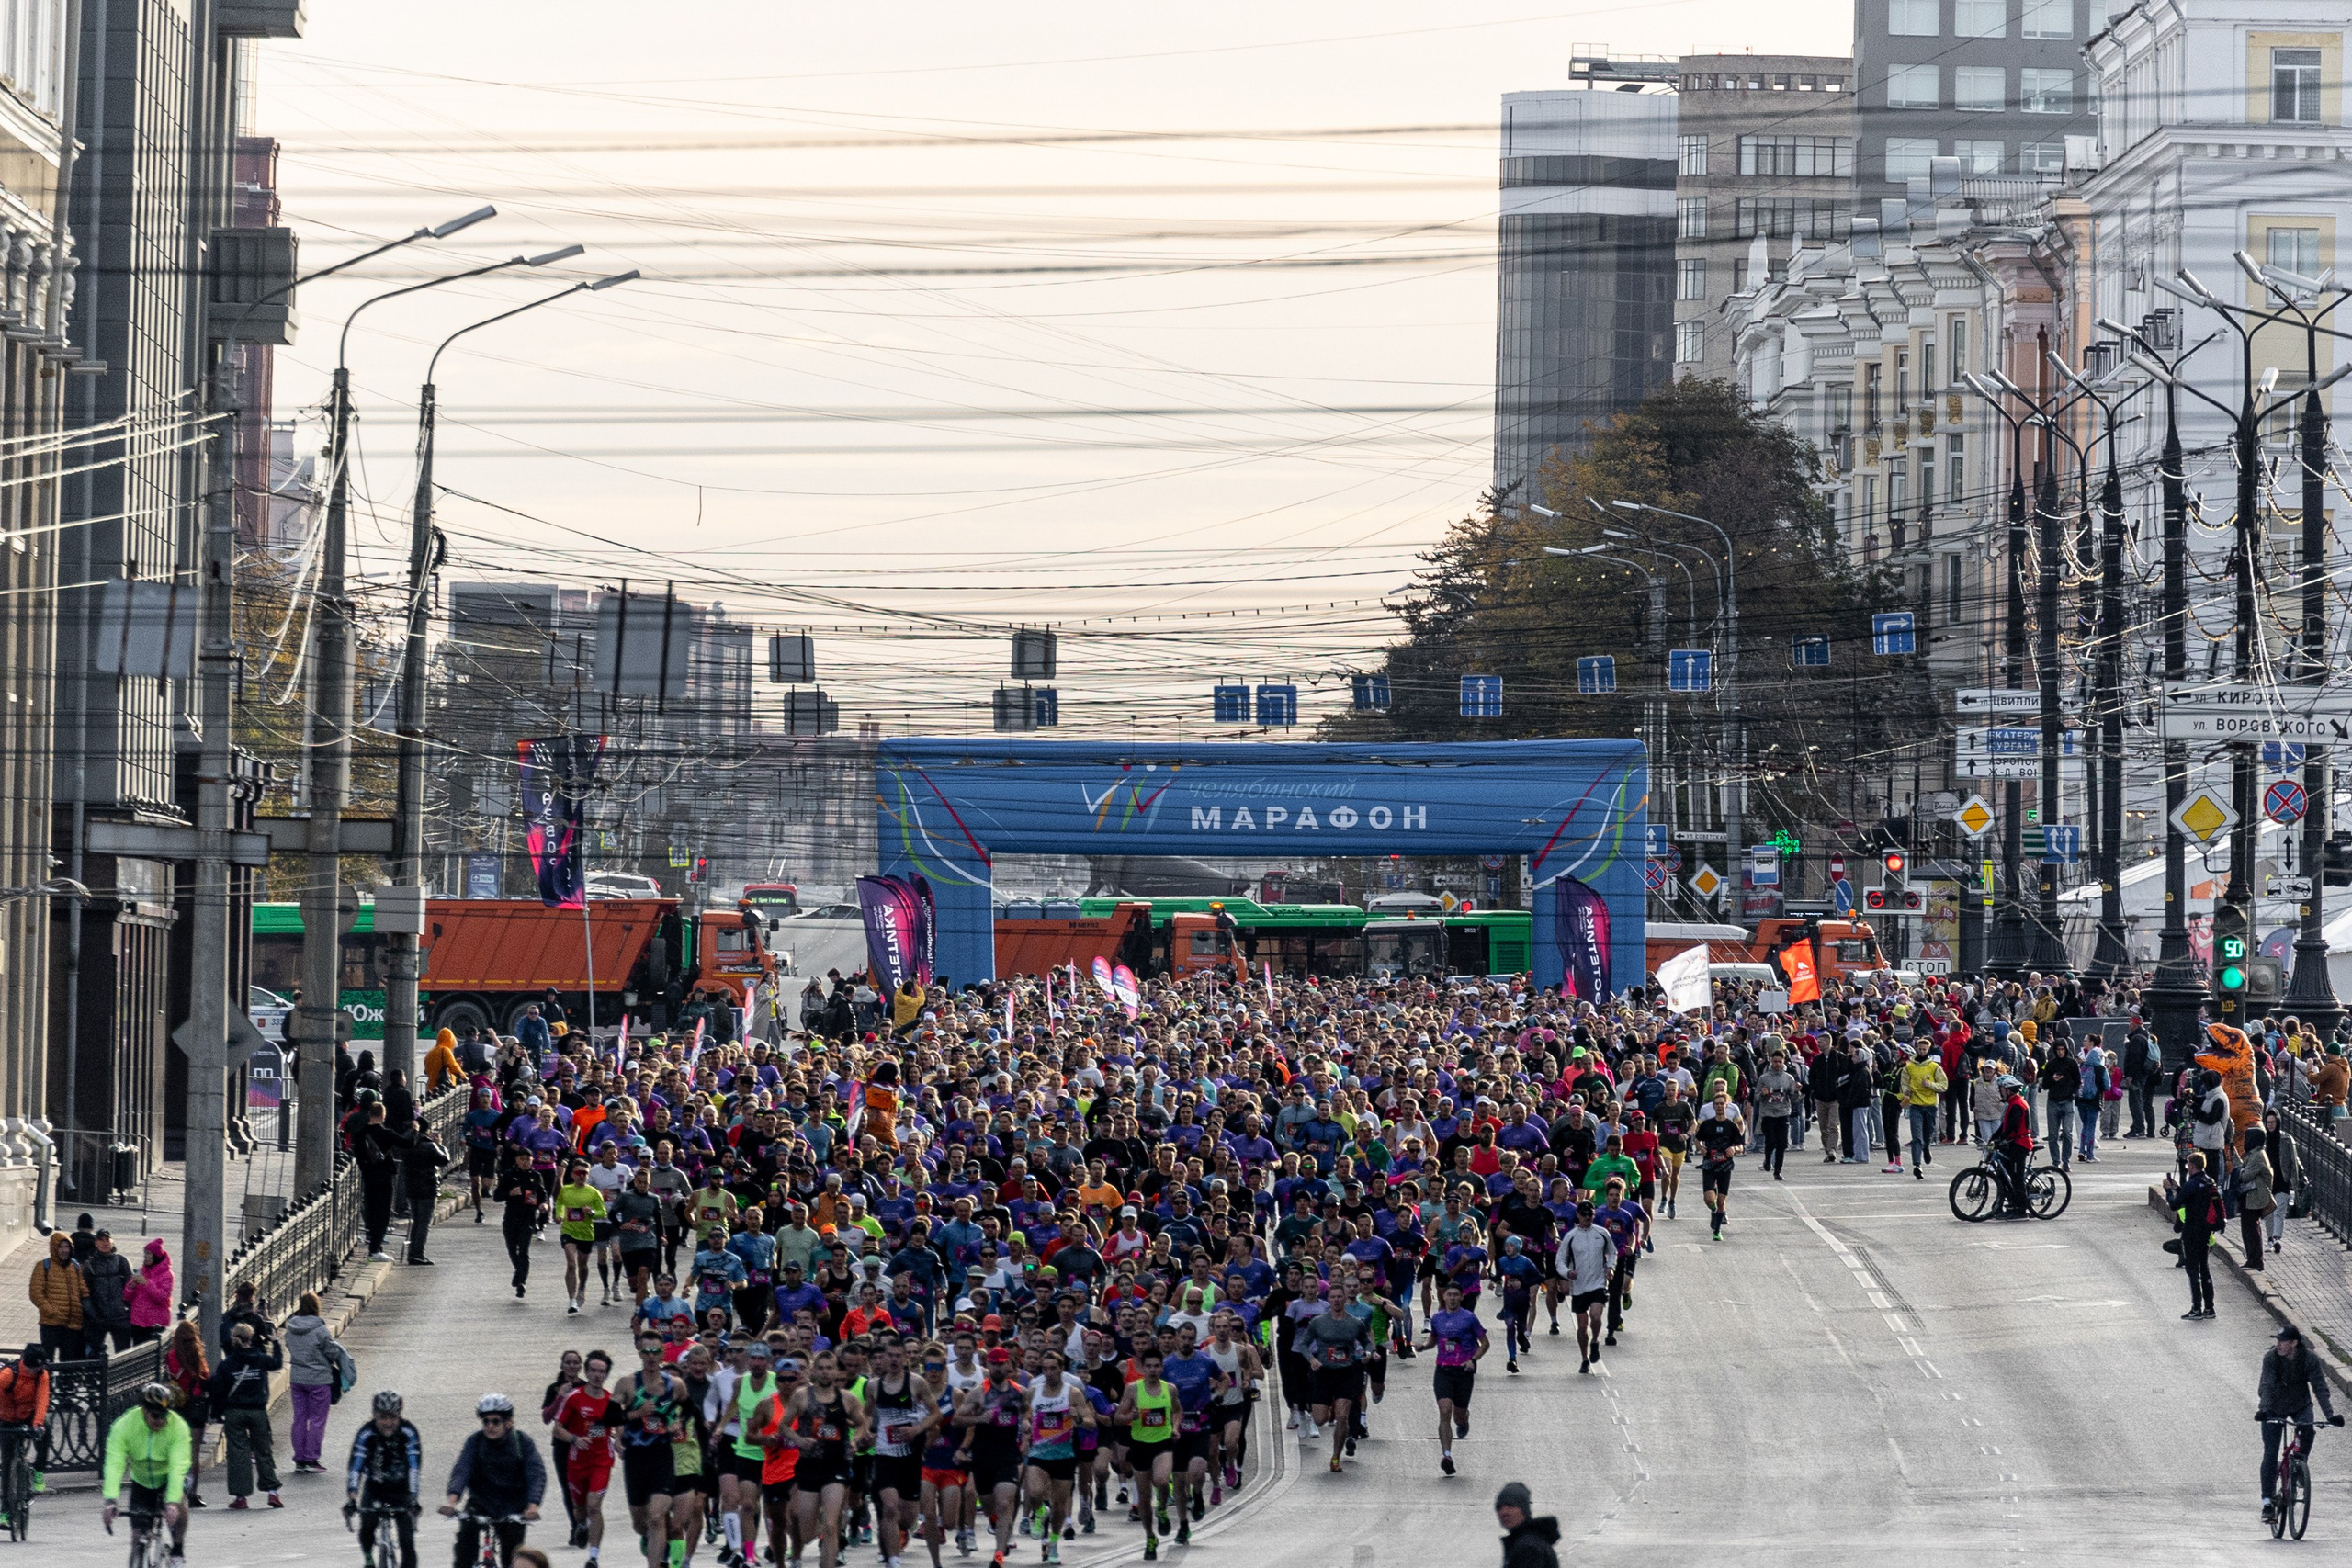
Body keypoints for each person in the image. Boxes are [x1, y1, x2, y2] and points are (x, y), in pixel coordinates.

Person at [445, 1392, 548, 1568]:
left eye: (495, 1421)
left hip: (513, 1506)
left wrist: (532, 1506)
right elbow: (463, 1468)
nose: (490, 1426)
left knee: (513, 1557)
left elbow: (536, 1474)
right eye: (486, 1421)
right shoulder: (475, 1442)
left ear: (509, 1423)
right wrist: (452, 1502)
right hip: (481, 1502)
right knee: (464, 1549)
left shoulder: (522, 1442)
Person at [2258, 1323, 2345, 1523]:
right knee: (2270, 1454)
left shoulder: (2309, 1359)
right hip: (2273, 1406)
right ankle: (2267, 1503)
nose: (2278, 1344)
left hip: (2300, 1403)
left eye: (2283, 1341)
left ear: (2294, 1343)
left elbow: (2320, 1388)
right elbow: (2267, 1385)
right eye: (2277, 1341)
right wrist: (2264, 1410)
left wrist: (2330, 1414)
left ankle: (2299, 1465)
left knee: (2308, 1429)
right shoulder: (2270, 1358)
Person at [103, 1382, 191, 1567]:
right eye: (156, 1416)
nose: (161, 1421)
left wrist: (173, 1503)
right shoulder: (125, 1426)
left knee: (180, 1501)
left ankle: (177, 1548)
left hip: (170, 1476)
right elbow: (114, 1464)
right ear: (144, 1410)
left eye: (165, 1415)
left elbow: (177, 1468)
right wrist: (110, 1500)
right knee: (137, 1537)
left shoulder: (178, 1427)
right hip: (142, 1480)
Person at [207, 1319, 283, 1508]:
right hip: (257, 1411)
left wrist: (215, 1409)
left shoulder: (227, 1364)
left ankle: (241, 1498)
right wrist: (275, 1342)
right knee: (263, 1451)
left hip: (235, 1412)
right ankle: (272, 1492)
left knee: (238, 1455)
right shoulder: (260, 1359)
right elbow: (277, 1363)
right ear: (251, 1338)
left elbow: (218, 1388)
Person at [345, 1390, 424, 1568]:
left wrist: (413, 1497)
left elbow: (414, 1467)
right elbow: (356, 1466)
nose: (388, 1423)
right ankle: (369, 1559)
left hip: (401, 1489)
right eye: (383, 1417)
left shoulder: (408, 1432)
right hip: (375, 1488)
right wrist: (352, 1497)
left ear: (399, 1416)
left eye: (393, 1417)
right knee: (367, 1527)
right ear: (374, 1416)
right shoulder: (366, 1433)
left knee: (407, 1541)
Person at [1419, 1281, 1486, 1477]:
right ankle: (1446, 1455)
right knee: (1444, 1410)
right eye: (1449, 1295)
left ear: (1461, 1297)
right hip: (1443, 1370)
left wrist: (1473, 1360)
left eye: (1456, 1294)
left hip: (1463, 1371)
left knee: (1458, 1415)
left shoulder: (1469, 1318)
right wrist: (1424, 1346)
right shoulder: (1438, 1318)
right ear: (1444, 1297)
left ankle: (1464, 1421)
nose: (1452, 1298)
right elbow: (1433, 1340)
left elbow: (1485, 1343)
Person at [282, 1291, 349, 1473]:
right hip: (319, 1379)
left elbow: (288, 1345)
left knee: (299, 1419)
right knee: (317, 1420)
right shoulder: (319, 1329)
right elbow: (331, 1352)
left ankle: (300, 1459)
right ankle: (312, 1458)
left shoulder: (291, 1328)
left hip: (297, 1379)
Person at [1553, 1201, 1616, 1375]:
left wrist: (1610, 1267)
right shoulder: (1571, 1236)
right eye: (1584, 1215)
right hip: (1579, 1286)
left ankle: (1595, 1341)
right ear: (1578, 1215)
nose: (1587, 1218)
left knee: (1596, 1316)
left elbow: (1612, 1252)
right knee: (1582, 1326)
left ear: (1593, 1216)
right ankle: (1584, 1358)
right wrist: (1567, 1273)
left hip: (1598, 1283)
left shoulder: (1602, 1233)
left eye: (1590, 1215)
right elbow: (1560, 1260)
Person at [2175, 1152, 2225, 1320]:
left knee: (2192, 1269)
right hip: (2206, 1231)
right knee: (2204, 1268)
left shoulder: (2192, 1184)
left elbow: (2175, 1204)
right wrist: (2177, 1188)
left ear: (2192, 1166)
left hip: (2192, 1231)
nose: (2187, 1167)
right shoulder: (2209, 1181)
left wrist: (2169, 1191)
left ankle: (2196, 1308)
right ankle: (2209, 1308)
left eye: (2188, 1164)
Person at [0, 1344, 51, 1506]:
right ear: (28, 1365)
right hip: (6, 1417)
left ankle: (39, 1471)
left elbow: (42, 1400)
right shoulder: (8, 1375)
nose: (40, 1369)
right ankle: (5, 1511)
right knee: (7, 1465)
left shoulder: (41, 1375)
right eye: (37, 1367)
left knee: (46, 1430)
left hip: (28, 1415)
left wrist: (38, 1424)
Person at [1692, 1087, 1745, 1241]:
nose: (1720, 1106)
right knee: (1709, 1199)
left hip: (1725, 1166)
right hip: (1709, 1163)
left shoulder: (1731, 1126)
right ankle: (1714, 1211)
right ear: (1713, 1106)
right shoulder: (1707, 1124)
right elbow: (1697, 1139)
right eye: (1717, 1104)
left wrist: (1734, 1149)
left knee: (1722, 1200)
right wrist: (1701, 1148)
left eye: (1722, 1104)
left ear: (1726, 1105)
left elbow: (1741, 1146)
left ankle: (1717, 1230)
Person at [28, 1231, 85, 1359]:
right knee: (48, 1360)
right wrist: (51, 1311)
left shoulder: (75, 1266)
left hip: (72, 1323)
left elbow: (82, 1289)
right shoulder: (43, 1266)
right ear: (54, 1248)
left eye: (67, 1247)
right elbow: (36, 1293)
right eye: (60, 1247)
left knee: (68, 1363)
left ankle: (63, 1380)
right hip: (51, 1323)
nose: (64, 1250)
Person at [82, 1229, 134, 1357]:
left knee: (122, 1357)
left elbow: (131, 1288)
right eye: (101, 1240)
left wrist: (127, 1310)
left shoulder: (121, 1261)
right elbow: (84, 1293)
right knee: (94, 1358)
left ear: (112, 1242)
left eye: (107, 1239)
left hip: (120, 1318)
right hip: (98, 1320)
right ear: (96, 1243)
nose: (105, 1243)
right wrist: (94, 1314)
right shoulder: (90, 1265)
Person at [1493, 1481, 1561, 1568]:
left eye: (1510, 1506)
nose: (1504, 1512)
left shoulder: (1528, 1547)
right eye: (1499, 1508)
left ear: (1524, 1510)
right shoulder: (1531, 1541)